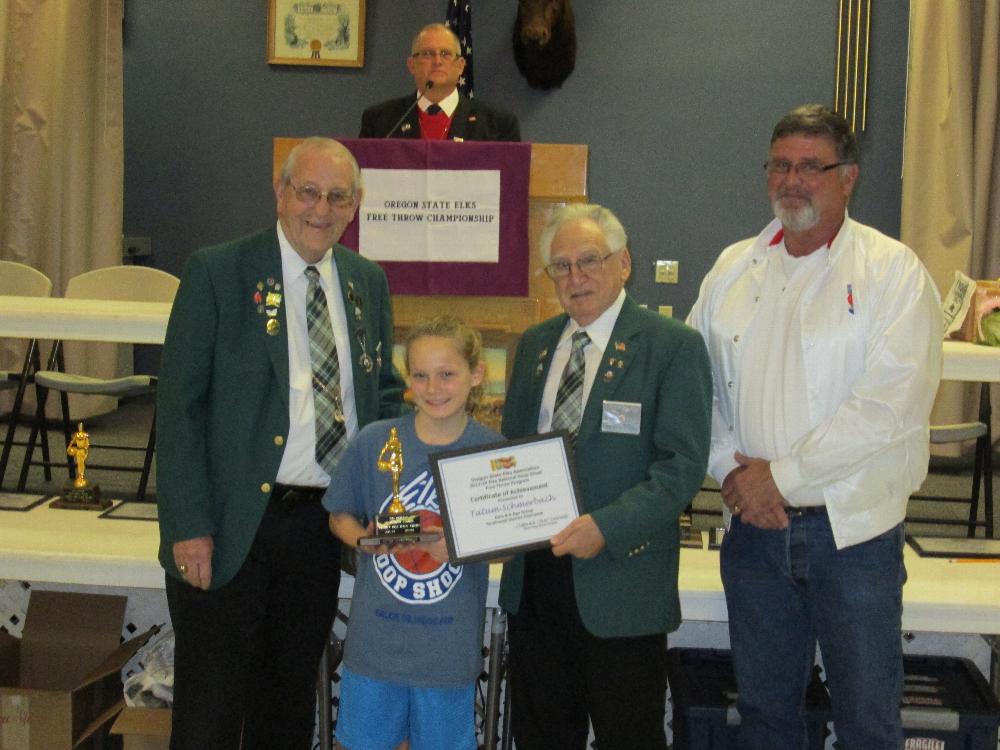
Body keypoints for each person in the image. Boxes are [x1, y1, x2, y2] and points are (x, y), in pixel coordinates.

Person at [686, 104, 942, 750]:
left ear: (848, 177)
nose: (791, 181)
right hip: (755, 535)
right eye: (780, 165)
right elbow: (695, 387)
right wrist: (732, 475)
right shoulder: (731, 270)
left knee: (867, 721)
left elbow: (885, 408)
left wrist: (781, 476)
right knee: (768, 719)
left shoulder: (894, 274)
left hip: (853, 534)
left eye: (810, 166)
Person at [157, 136, 405, 750]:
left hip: (318, 530)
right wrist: (188, 524)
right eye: (309, 192)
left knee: (287, 708)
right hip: (229, 525)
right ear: (280, 193)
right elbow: (179, 407)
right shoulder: (219, 270)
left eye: (337, 197)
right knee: (208, 717)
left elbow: (385, 398)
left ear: (355, 206)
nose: (321, 210)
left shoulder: (366, 283)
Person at [499, 203, 713, 749]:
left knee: (630, 739)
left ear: (624, 264)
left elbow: (681, 467)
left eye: (590, 260)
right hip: (538, 584)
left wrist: (607, 528)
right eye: (561, 266)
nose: (576, 277)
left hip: (621, 583)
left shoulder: (672, 347)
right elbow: (512, 453)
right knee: (541, 738)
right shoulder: (534, 347)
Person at [323, 315, 502, 750]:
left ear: (476, 375)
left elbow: (510, 548)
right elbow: (338, 515)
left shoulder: (493, 454)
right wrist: (365, 540)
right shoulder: (373, 442)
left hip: (446, 651)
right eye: (420, 375)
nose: (433, 387)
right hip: (374, 647)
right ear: (407, 379)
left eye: (447, 374)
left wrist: (460, 547)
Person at [359, 22, 520, 141]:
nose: (437, 61)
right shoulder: (379, 121)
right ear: (411, 65)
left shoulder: (498, 125)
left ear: (461, 66)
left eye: (445, 53)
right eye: (428, 54)